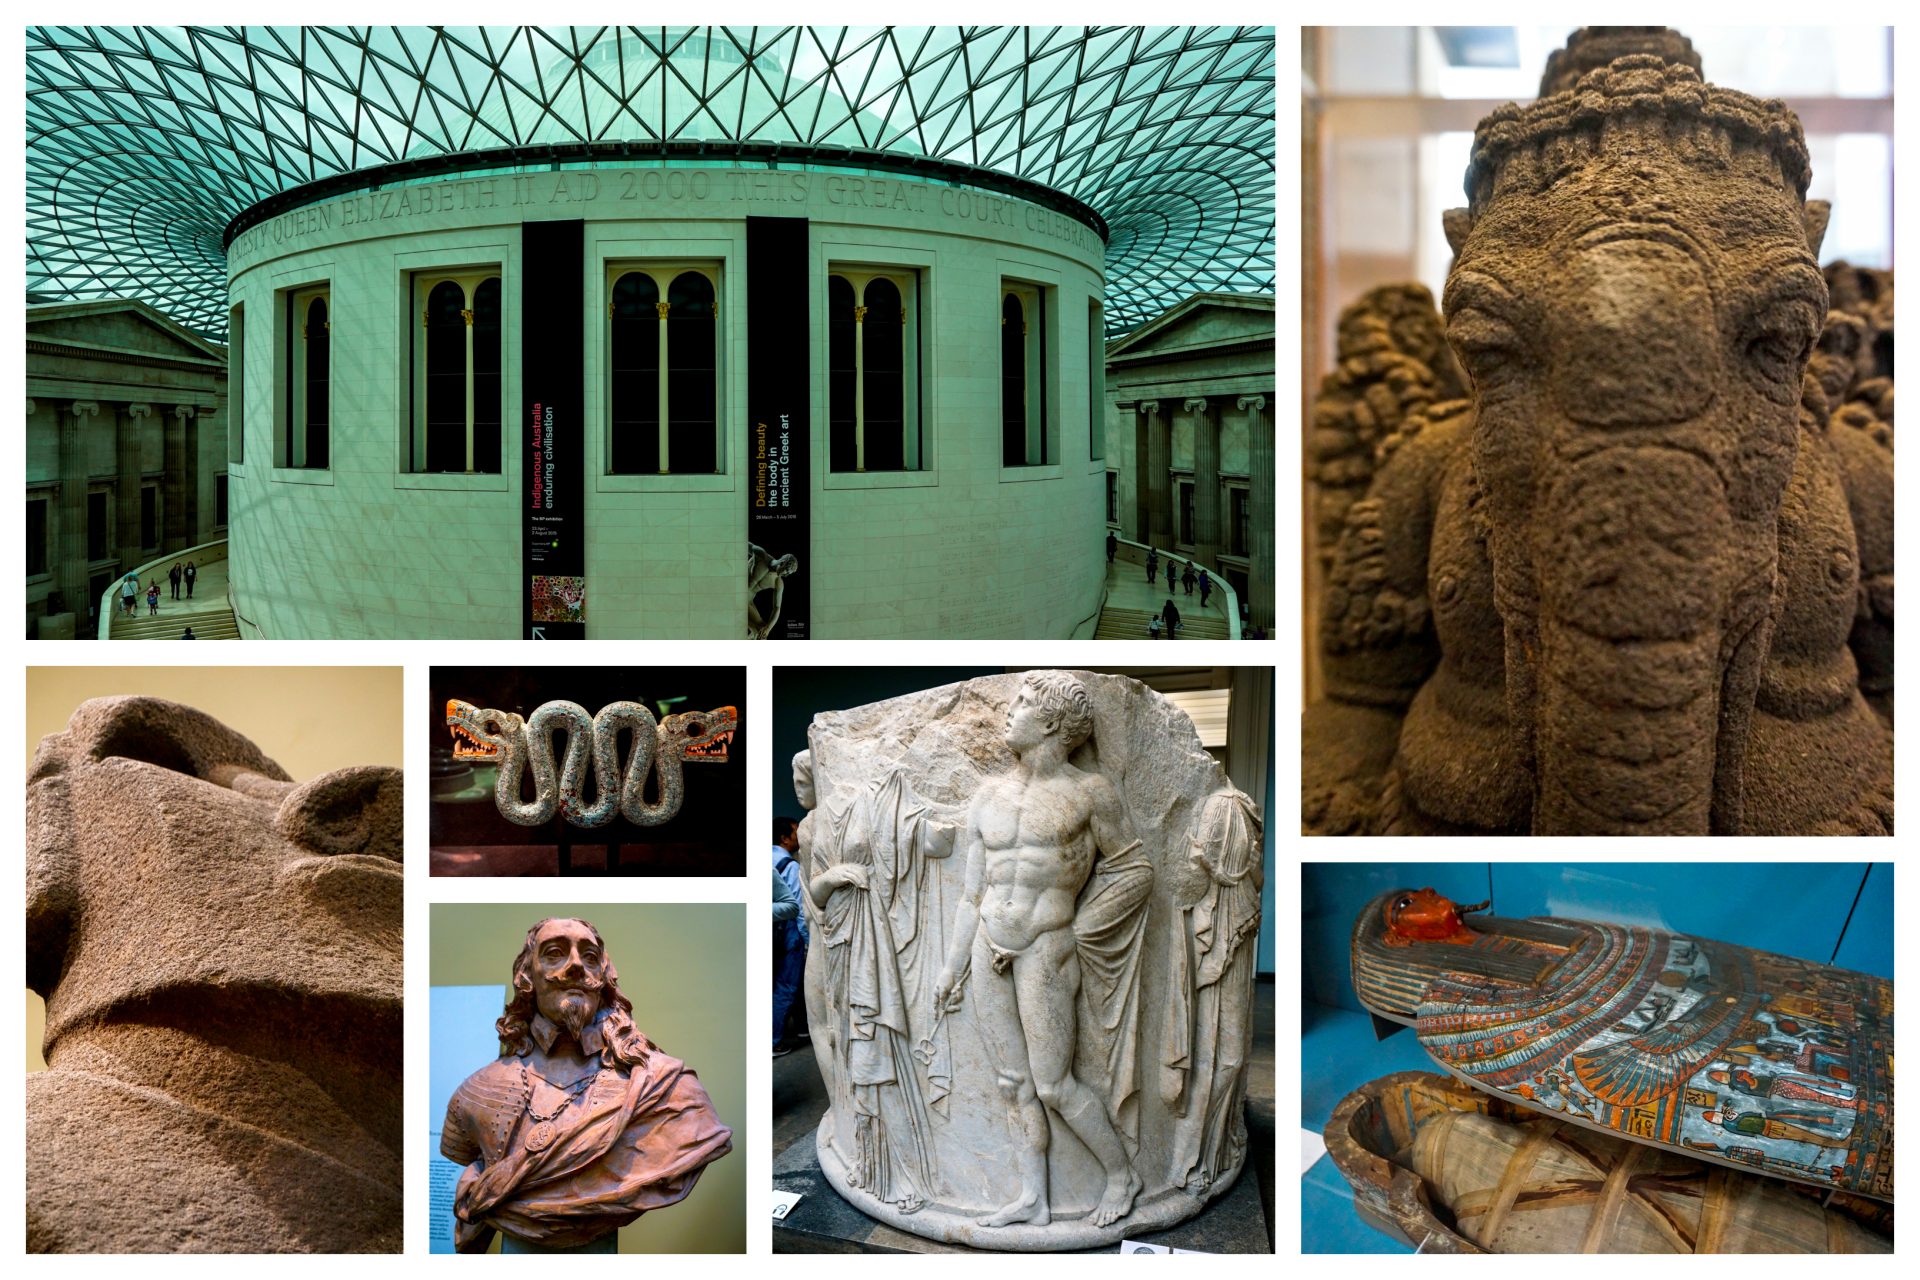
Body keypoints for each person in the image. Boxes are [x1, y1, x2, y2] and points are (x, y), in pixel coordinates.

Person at [934, 672, 1148, 1229]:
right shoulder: (987, 796)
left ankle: (1122, 1175)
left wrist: (1080, 928)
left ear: (1052, 723)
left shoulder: (1088, 792)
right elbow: (972, 893)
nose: (1010, 711)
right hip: (988, 944)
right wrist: (952, 965)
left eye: (1024, 704)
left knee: (1054, 1085)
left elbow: (1133, 867)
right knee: (1013, 1082)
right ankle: (1034, 1196)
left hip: (1046, 948)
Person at [440, 918, 733, 1251]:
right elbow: (469, 1156)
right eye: (555, 953)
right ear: (526, 978)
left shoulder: (666, 1088)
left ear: (603, 981)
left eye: (590, 957)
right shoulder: (478, 1092)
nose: (576, 966)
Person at [772, 816, 808, 1055]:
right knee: (787, 986)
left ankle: (802, 1028)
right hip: (788, 933)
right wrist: (807, 941)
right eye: (796, 832)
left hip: (775, 934)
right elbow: (798, 908)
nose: (801, 836)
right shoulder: (790, 866)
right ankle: (773, 1039)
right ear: (784, 838)